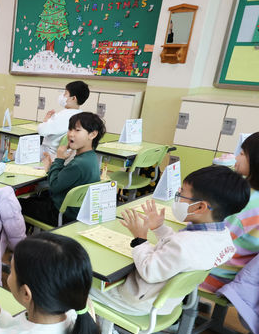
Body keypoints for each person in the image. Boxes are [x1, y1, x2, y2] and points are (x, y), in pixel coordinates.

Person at [90, 166, 251, 316]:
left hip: (137, 301)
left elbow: (150, 271)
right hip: (166, 300)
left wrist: (140, 239)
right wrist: (159, 228)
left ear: (200, 207)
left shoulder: (185, 244)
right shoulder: (222, 237)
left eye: (181, 195)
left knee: (78, 284)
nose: (178, 198)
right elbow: (177, 251)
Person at [19, 112, 104, 226]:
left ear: (92, 135)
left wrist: (59, 159)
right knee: (38, 196)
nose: (71, 134)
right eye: (70, 129)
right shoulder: (92, 157)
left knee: (16, 203)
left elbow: (54, 185)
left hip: (61, 214)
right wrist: (53, 167)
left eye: (77, 130)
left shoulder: (78, 164)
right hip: (77, 211)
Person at [202, 132, 259, 292]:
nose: (236, 157)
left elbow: (211, 239)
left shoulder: (244, 203)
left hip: (217, 275)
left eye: (241, 153)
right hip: (242, 273)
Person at [37, 81, 90, 158]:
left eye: (65, 93)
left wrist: (45, 121)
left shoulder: (63, 116)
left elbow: (41, 131)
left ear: (73, 98)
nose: (62, 96)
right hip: (67, 155)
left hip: (49, 153)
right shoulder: (81, 116)